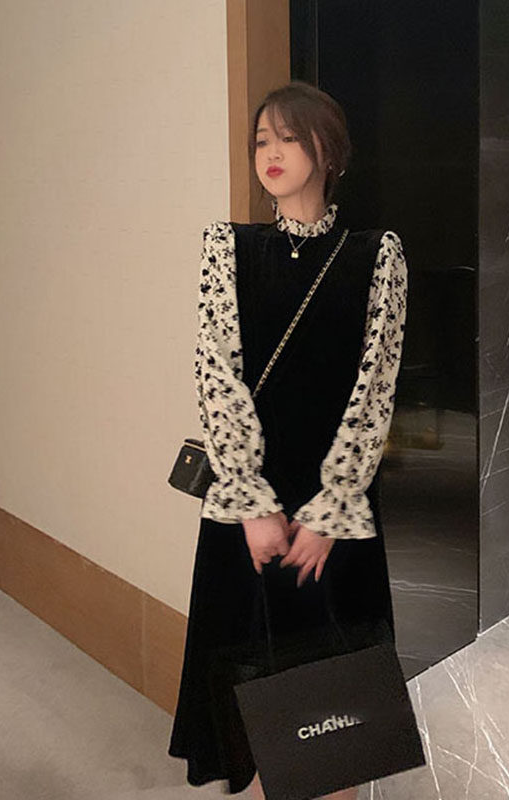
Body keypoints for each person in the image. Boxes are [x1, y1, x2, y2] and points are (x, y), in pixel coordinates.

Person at [168, 80, 408, 800]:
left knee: (337, 708)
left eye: (289, 138)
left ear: (328, 151)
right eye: (261, 140)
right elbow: (216, 376)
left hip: (334, 507)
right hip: (248, 508)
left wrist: (332, 510)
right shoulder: (228, 249)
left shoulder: (376, 255)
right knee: (252, 696)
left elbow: (376, 390)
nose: (270, 152)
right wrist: (250, 502)